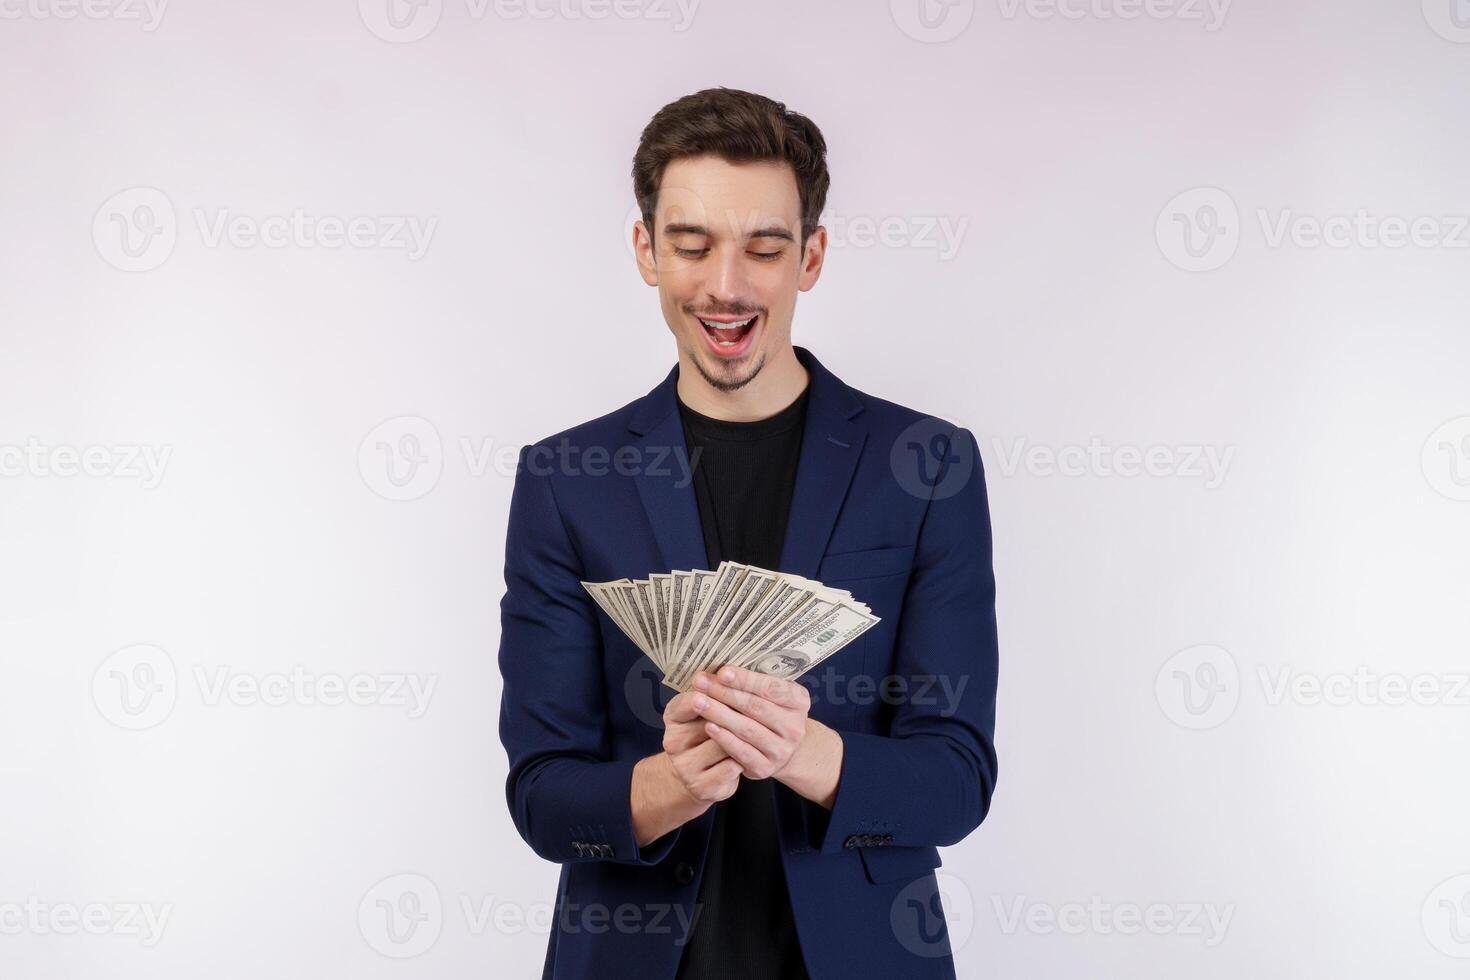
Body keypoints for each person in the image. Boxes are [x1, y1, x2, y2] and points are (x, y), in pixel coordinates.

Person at [497, 87, 999, 980]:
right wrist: (665, 786)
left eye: (764, 247)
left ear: (810, 257)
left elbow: (957, 781)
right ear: (647, 251)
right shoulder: (564, 481)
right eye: (692, 245)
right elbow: (541, 793)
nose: (725, 286)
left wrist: (810, 755)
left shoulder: (926, 467)